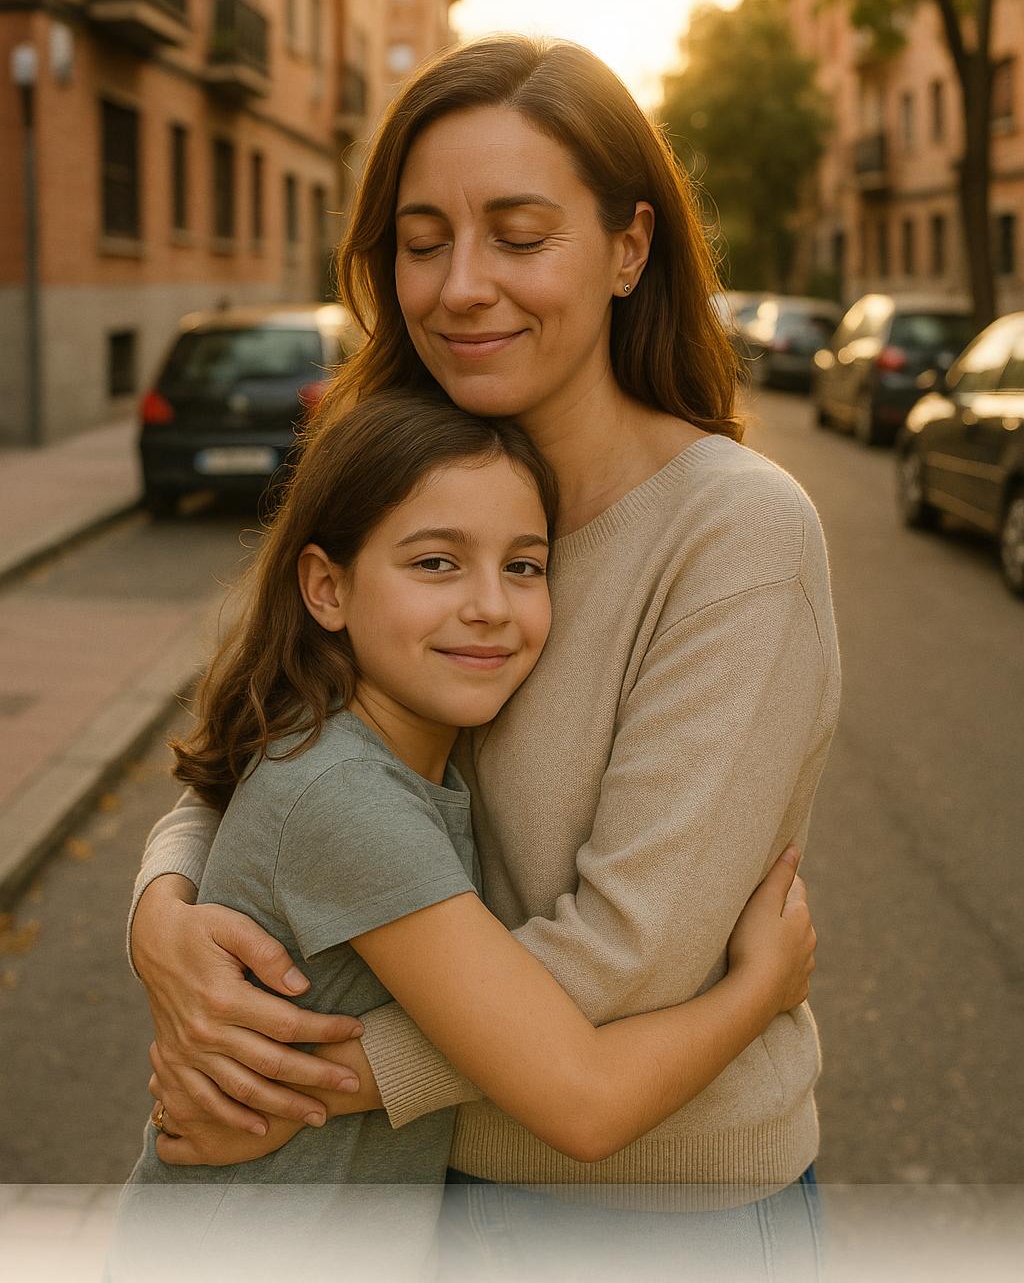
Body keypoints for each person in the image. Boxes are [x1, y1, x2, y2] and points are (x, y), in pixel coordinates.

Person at [127, 36, 840, 1270]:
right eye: (421, 241)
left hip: (651, 1210)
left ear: (628, 248)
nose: (461, 285)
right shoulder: (403, 472)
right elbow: (262, 739)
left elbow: (633, 949)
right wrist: (166, 912)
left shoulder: (737, 530)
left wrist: (324, 1074)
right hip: (407, 1194)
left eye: (518, 236)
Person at [125, 387, 814, 1192]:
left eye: (524, 566)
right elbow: (584, 1104)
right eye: (435, 563)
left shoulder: (378, 756)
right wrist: (760, 988)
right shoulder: (347, 796)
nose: (490, 607)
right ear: (327, 588)